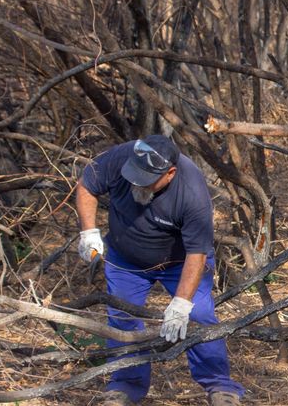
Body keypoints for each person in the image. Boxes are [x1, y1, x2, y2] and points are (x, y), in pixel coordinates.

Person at [75, 135, 244, 406]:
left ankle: (220, 386)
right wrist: (88, 232)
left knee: (199, 315)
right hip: (125, 260)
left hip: (180, 263)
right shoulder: (121, 157)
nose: (136, 182)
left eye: (146, 178)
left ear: (170, 173)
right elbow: (87, 184)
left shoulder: (191, 192)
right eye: (134, 174)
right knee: (122, 315)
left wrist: (180, 304)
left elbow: (196, 253)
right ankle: (125, 385)